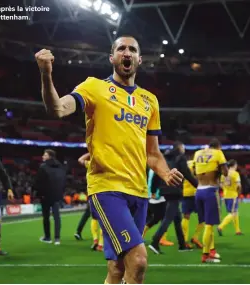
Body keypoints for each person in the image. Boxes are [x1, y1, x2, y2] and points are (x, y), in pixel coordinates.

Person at [35, 35, 183, 284]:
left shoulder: (150, 101)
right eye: (121, 49)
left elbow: (153, 153)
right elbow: (58, 109)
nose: (127, 53)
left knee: (117, 268)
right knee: (138, 261)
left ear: (139, 59)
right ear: (112, 57)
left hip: (138, 192)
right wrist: (46, 75)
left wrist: (165, 172)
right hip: (107, 189)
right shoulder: (94, 87)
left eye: (132, 49)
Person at [148, 142, 198, 254]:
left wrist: (153, 190)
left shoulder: (164, 158)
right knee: (168, 218)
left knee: (177, 218)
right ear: (180, 148)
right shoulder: (180, 158)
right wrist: (198, 186)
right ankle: (155, 242)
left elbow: (157, 173)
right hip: (175, 190)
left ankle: (182, 245)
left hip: (164, 189)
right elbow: (187, 173)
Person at [194, 138, 228, 263]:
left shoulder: (197, 153)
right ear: (218, 147)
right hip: (210, 191)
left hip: (199, 190)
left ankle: (211, 250)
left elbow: (193, 171)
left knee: (206, 224)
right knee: (209, 224)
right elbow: (225, 172)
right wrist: (219, 170)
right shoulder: (218, 153)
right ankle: (206, 255)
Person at [34, 149, 67, 245]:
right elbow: (63, 180)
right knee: (57, 217)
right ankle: (57, 239)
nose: (42, 157)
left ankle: (47, 237)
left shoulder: (43, 167)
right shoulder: (60, 167)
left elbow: (38, 182)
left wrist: (39, 194)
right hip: (57, 195)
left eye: (44, 155)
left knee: (46, 217)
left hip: (46, 195)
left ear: (49, 156)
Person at [74, 152, 104, 252]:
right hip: (105, 194)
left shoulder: (91, 165)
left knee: (94, 219)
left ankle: (95, 239)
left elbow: (80, 160)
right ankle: (100, 244)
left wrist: (91, 152)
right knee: (104, 221)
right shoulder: (107, 165)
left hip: (93, 195)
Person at [143, 168, 174, 247]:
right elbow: (155, 180)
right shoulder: (157, 169)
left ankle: (143, 236)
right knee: (161, 218)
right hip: (157, 196)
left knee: (157, 218)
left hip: (153, 195)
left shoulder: (151, 169)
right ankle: (161, 238)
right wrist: (154, 192)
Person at [181, 159, 203, 248]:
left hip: (185, 192)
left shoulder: (186, 163)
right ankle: (195, 237)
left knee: (186, 216)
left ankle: (185, 240)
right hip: (196, 192)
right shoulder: (200, 164)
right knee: (203, 216)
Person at [217, 159, 242, 235]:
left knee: (235, 212)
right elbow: (239, 185)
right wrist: (239, 193)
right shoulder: (235, 174)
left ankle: (237, 230)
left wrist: (225, 188)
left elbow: (220, 184)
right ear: (234, 165)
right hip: (233, 195)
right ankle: (220, 227)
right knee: (232, 213)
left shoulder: (223, 174)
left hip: (225, 195)